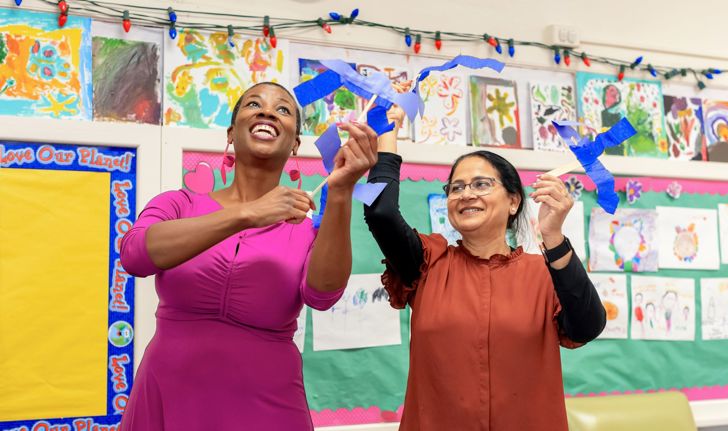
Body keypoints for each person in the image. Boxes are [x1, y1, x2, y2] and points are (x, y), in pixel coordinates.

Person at [118, 81, 379, 430]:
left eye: (283, 109)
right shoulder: (178, 204)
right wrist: (247, 213)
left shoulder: (306, 228)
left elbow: (322, 295)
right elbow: (135, 255)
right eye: (253, 104)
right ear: (231, 133)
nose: (268, 111)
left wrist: (342, 190)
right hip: (169, 393)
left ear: (295, 144)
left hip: (269, 403)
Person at [364, 84, 606, 430]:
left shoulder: (542, 274)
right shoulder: (429, 264)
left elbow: (588, 325)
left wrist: (553, 237)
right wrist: (387, 138)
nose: (465, 195)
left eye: (481, 185)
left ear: (513, 201)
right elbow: (380, 212)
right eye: (456, 187)